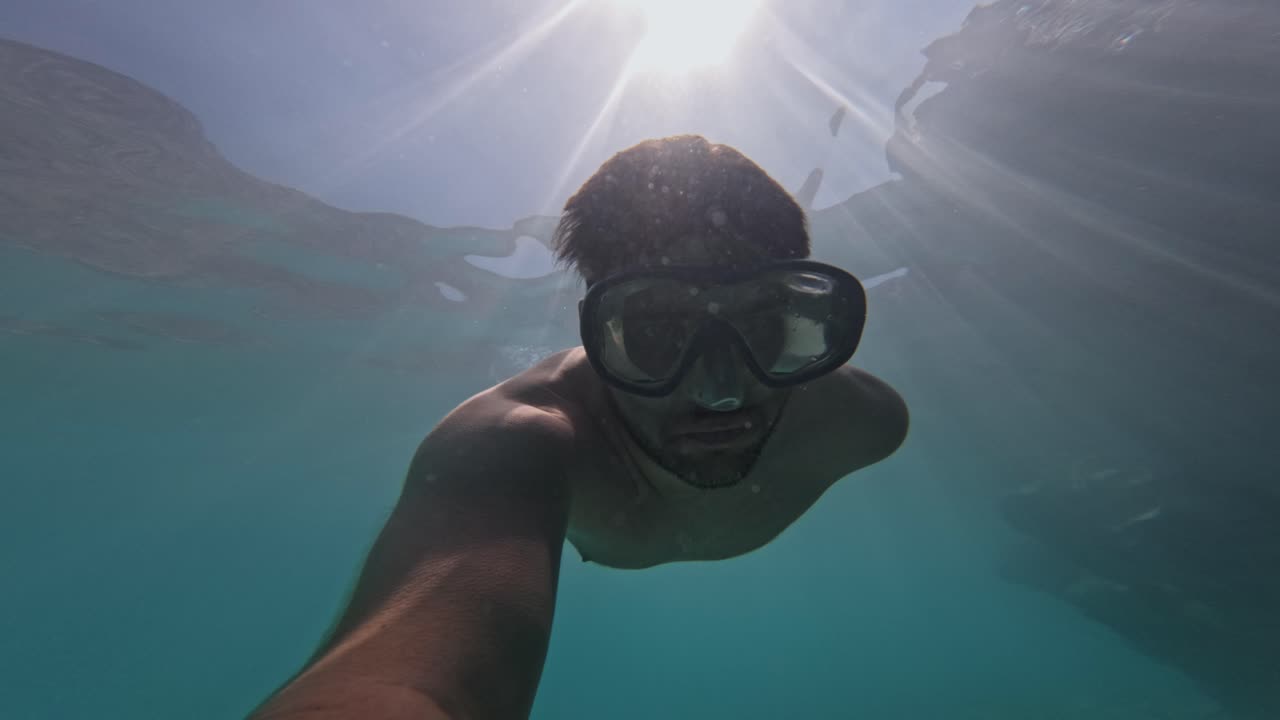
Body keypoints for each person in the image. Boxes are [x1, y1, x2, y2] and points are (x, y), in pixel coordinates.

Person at [249, 135, 909, 720]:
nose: (720, 392)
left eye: (764, 323)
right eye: (657, 332)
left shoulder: (868, 420)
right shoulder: (518, 438)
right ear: (598, 336)